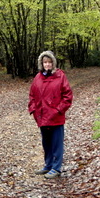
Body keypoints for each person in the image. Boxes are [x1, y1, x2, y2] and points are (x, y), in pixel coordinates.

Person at [28, 50, 73, 178]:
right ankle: (48, 165)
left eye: (49, 62)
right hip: (42, 116)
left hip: (55, 117)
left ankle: (56, 167)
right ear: (41, 64)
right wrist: (33, 109)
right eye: (45, 62)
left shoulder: (60, 76)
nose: (47, 65)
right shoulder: (38, 77)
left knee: (56, 143)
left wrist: (58, 110)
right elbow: (32, 95)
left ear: (53, 63)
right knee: (46, 143)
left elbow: (67, 96)